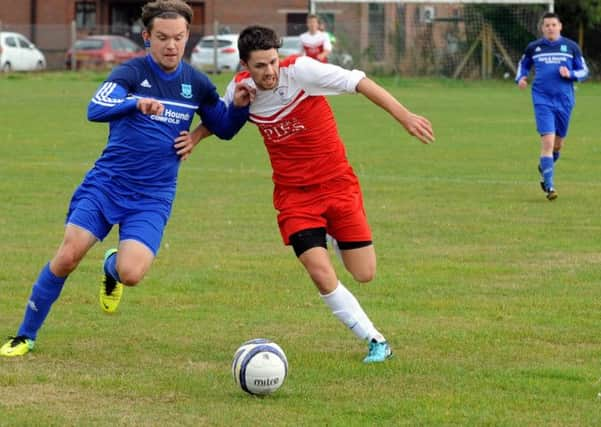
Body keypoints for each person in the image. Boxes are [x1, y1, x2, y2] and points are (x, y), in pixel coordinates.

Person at [0, 0, 252, 357]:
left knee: (131, 273)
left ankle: (111, 267)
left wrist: (239, 108)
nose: (171, 45)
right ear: (147, 37)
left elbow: (224, 127)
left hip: (153, 195)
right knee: (69, 254)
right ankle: (25, 335)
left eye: (179, 37)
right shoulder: (131, 74)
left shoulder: (196, 83)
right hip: (108, 184)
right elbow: (95, 108)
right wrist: (136, 103)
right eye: (162, 37)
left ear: (187, 37)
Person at [189, 26, 434, 363]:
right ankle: (375, 340)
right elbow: (224, 122)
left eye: (272, 62)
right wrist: (195, 137)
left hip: (338, 185)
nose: (270, 71)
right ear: (245, 65)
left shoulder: (302, 71)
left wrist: (404, 116)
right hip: (294, 196)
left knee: (364, 273)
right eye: (260, 65)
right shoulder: (241, 88)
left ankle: (331, 235)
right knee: (319, 271)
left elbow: (361, 83)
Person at [515, 12, 589, 201]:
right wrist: (521, 78)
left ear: (560, 26)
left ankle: (544, 168)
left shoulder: (571, 47)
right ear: (542, 28)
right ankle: (550, 187)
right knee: (548, 142)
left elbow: (584, 71)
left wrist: (570, 73)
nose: (550, 28)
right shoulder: (534, 47)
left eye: (553, 25)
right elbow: (523, 65)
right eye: (547, 25)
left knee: (558, 145)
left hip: (565, 100)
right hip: (542, 100)